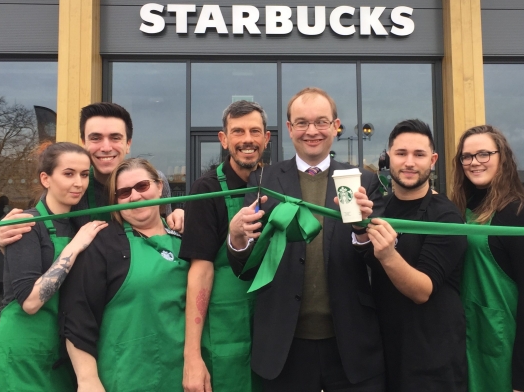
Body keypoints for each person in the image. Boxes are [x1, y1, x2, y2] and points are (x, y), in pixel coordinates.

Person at [228, 87, 385, 392]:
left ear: (335, 127)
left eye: (321, 122)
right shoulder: (264, 180)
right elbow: (248, 265)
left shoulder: (362, 181)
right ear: (289, 129)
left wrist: (363, 230)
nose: (311, 131)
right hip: (284, 347)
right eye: (301, 123)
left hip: (349, 344)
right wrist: (237, 239)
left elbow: (379, 262)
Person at [0, 142, 107, 392]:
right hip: (22, 354)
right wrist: (74, 247)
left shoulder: (76, 224)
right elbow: (30, 301)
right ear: (46, 178)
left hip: (60, 355)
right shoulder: (26, 225)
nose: (79, 183)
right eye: (68, 174)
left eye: (84, 175)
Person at [356, 119, 467, 392]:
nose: (409, 162)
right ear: (388, 157)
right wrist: (358, 230)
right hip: (383, 354)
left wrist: (387, 255)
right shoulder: (379, 208)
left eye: (419, 155)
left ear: (433, 160)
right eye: (401, 153)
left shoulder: (446, 216)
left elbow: (423, 290)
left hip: (432, 360)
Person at [61, 158, 188, 392]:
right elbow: (79, 316)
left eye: (142, 186)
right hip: (126, 377)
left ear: (159, 187)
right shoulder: (102, 244)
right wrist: (87, 379)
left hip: (184, 376)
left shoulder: (186, 239)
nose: (135, 196)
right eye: (124, 192)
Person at [0, 102, 184, 248]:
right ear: (84, 142)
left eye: (115, 138)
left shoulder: (151, 182)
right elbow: (43, 238)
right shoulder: (71, 187)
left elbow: (165, 232)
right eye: (96, 138)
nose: (106, 147)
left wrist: (178, 219)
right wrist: (1, 236)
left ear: (128, 144)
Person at [181, 100, 269, 392]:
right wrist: (192, 356)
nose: (247, 140)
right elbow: (200, 271)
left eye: (255, 131)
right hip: (225, 329)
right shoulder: (206, 189)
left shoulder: (276, 184)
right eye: (238, 131)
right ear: (224, 139)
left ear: (266, 138)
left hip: (272, 328)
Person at [451, 125, 524, 392]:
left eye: (484, 154)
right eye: (467, 156)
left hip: (503, 346)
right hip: (467, 340)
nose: (474, 162)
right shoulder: (459, 209)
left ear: (502, 157)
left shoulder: (520, 215)